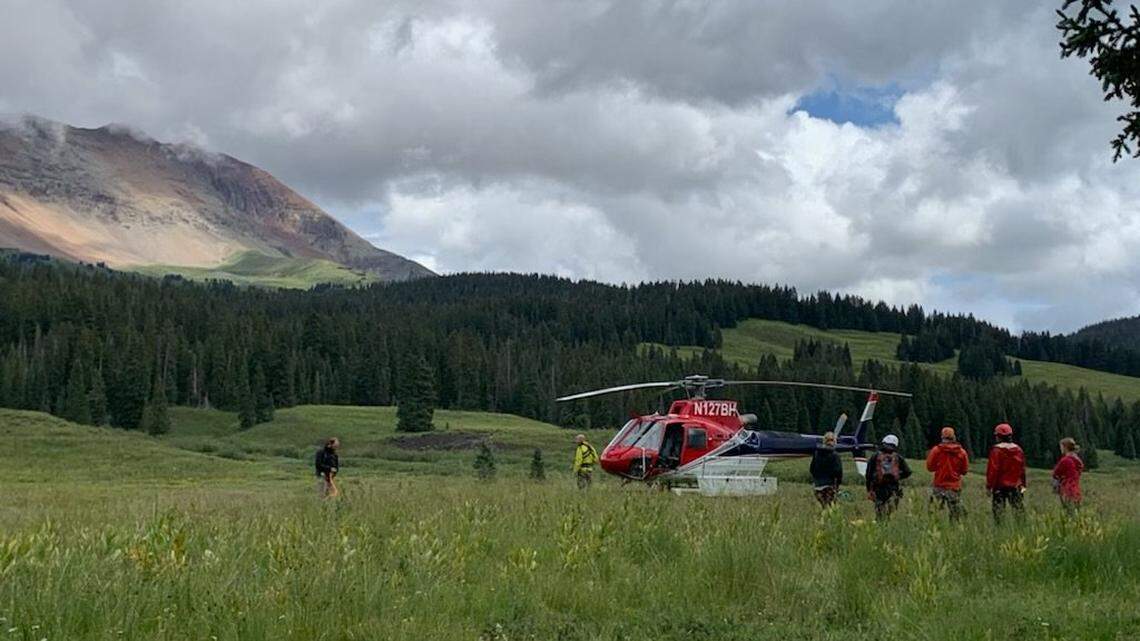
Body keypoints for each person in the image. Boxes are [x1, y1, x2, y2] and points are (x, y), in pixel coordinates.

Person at [986, 423, 1026, 524]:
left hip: (999, 486)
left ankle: (1000, 532)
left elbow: (993, 470)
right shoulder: (1018, 450)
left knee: (998, 513)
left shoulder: (996, 450)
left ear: (998, 436)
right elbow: (1022, 470)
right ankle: (1022, 530)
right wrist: (1023, 485)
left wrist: (989, 486)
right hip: (1016, 486)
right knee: (1019, 512)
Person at [926, 426, 969, 522]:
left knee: (934, 513)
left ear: (942, 437)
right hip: (954, 487)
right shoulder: (962, 452)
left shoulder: (936, 450)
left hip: (939, 485)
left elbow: (930, 467)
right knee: (955, 515)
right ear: (953, 437)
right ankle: (953, 532)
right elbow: (965, 471)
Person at [864, 434, 912, 520]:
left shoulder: (875, 456)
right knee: (890, 514)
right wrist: (897, 476)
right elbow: (908, 472)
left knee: (879, 514)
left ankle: (880, 528)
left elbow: (868, 475)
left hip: (878, 488)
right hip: (893, 488)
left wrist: (869, 490)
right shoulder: (898, 457)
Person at [809, 431, 843, 508]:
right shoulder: (835, 455)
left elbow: (812, 469)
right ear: (834, 441)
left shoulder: (817, 453)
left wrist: (816, 480)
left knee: (823, 507)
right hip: (830, 485)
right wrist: (837, 485)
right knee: (831, 508)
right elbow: (838, 472)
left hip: (818, 486)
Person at [1052, 437, 1084, 515]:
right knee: (1076, 514)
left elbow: (1055, 473)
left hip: (1067, 490)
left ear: (1065, 447)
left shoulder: (1065, 460)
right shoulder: (1077, 460)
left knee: (1068, 514)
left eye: (1061, 447)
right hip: (1076, 491)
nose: (1061, 449)